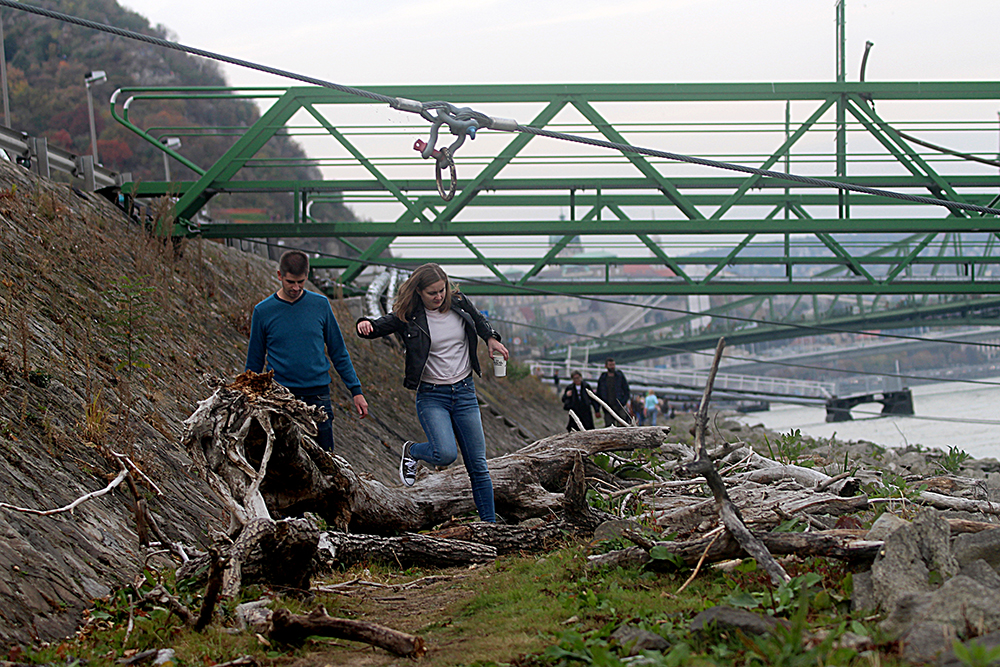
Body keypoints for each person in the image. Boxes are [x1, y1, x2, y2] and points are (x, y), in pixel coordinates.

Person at [355, 263, 508, 523]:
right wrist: (364, 324)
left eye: (442, 290)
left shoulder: (458, 302)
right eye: (432, 293)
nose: (439, 296)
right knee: (445, 454)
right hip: (432, 395)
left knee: (478, 467)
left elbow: (479, 321)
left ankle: (489, 525)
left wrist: (491, 338)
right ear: (419, 292)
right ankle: (412, 451)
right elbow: (380, 325)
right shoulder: (409, 315)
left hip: (465, 393)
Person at [245, 250, 369, 453]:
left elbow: (338, 351)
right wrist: (249, 397)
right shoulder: (263, 311)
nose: (296, 287)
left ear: (307, 275)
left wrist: (356, 390)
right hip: (281, 396)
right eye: (290, 282)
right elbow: (255, 360)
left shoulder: (320, 305)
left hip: (318, 396)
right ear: (279, 276)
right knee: (284, 458)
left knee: (325, 458)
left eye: (301, 282)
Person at [596, 358, 630, 426]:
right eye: (610, 365)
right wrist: (597, 409)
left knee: (623, 425)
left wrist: (622, 402)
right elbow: (599, 393)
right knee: (609, 425)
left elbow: (626, 390)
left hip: (619, 406)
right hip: (608, 407)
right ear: (606, 366)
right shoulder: (603, 378)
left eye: (613, 365)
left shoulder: (619, 376)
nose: (612, 367)